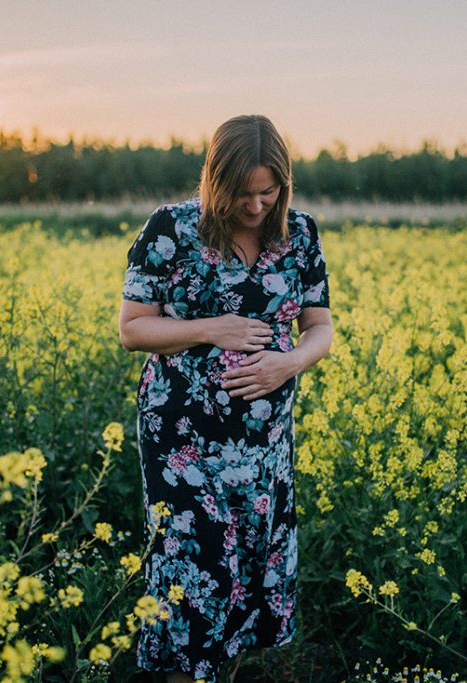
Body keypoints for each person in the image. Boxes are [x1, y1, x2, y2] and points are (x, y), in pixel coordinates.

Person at [119, 114, 334, 682]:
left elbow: (320, 329)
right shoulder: (169, 229)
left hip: (263, 444)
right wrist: (213, 328)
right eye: (244, 193)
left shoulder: (302, 234)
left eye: (270, 192)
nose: (258, 206)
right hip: (182, 439)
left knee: (243, 571)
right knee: (195, 566)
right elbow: (133, 329)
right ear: (216, 181)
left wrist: (289, 363)